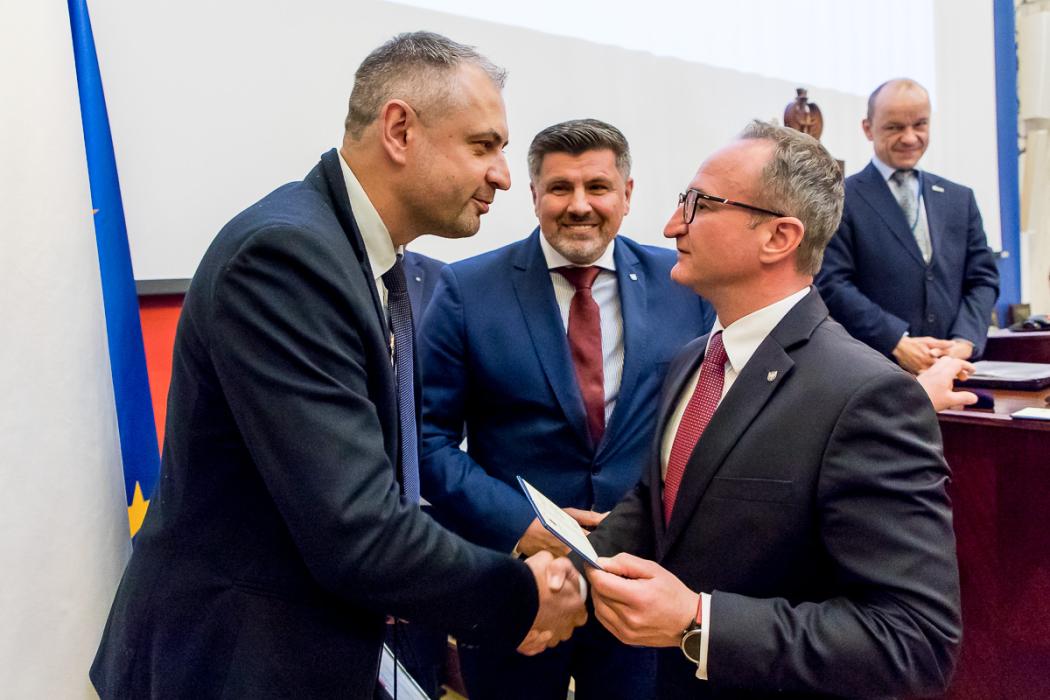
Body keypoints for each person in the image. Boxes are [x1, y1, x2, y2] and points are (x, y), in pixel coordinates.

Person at [90, 32, 586, 700]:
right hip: (233, 663)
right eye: (483, 146)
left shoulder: (365, 259)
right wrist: (519, 596)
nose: (501, 175)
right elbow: (356, 527)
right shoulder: (286, 258)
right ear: (400, 131)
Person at [583, 121, 962, 699]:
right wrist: (573, 567)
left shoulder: (867, 396)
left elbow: (913, 640)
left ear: (779, 237)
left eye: (699, 204)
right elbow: (662, 501)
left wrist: (700, 623)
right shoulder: (692, 360)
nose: (672, 224)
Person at [419, 119, 714, 699]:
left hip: (642, 581)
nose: (579, 205)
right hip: (519, 581)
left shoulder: (684, 285)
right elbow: (427, 440)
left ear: (627, 194)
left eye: (597, 187)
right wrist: (523, 528)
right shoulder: (466, 289)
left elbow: (703, 426)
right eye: (560, 188)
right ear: (534, 195)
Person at [816, 78, 999, 374]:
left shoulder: (959, 199)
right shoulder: (841, 198)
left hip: (954, 369)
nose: (910, 138)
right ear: (868, 128)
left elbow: (983, 279)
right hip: (874, 371)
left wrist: (964, 341)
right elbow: (832, 283)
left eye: (920, 124)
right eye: (895, 127)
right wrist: (895, 341)